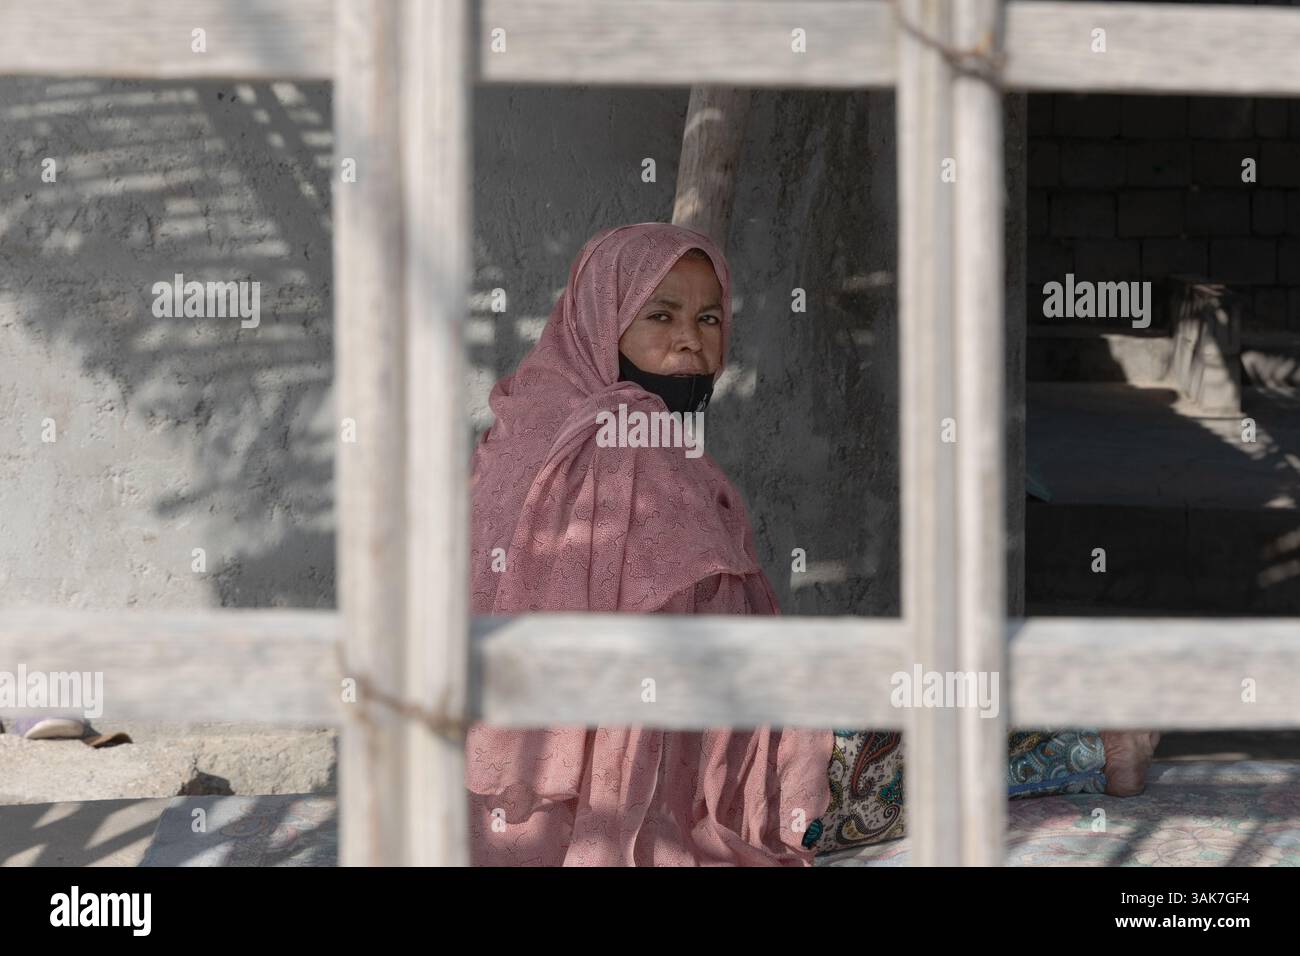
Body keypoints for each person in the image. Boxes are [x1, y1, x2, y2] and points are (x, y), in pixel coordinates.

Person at [463, 222, 834, 866]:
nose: (691, 339)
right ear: (603, 321)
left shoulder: (523, 423)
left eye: (710, 318)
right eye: (660, 315)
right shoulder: (629, 439)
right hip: (653, 779)